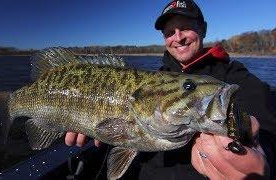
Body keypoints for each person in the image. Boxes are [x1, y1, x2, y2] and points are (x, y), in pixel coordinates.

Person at [65, 0, 276, 179]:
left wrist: (262, 162)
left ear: (202, 28)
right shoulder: (154, 79)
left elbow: (266, 131)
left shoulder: (236, 79)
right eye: (170, 32)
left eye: (185, 27)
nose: (178, 37)